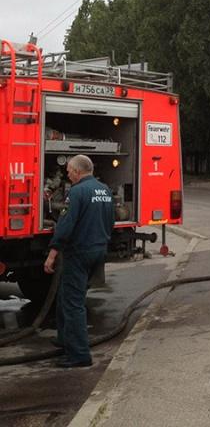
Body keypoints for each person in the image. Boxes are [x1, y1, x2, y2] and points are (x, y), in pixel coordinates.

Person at [44, 154, 114, 368]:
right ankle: (64, 339)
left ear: (77, 171)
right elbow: (110, 221)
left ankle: (79, 355)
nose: (68, 175)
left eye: (69, 172)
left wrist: (52, 254)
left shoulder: (77, 192)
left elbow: (65, 225)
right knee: (66, 295)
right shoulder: (105, 190)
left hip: (79, 253)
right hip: (98, 250)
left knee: (73, 304)